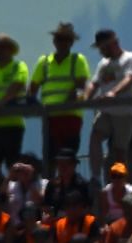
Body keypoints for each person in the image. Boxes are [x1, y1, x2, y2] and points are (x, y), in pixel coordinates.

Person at [85, 28, 132, 180]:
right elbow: (94, 83)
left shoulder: (130, 58)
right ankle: (95, 176)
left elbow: (130, 78)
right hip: (107, 111)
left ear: (113, 43)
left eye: (103, 47)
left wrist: (113, 93)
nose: (101, 51)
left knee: (119, 150)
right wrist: (87, 96)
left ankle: (121, 182)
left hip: (125, 112)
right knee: (95, 135)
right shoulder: (103, 64)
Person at [32, 20, 90, 161]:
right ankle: (51, 182)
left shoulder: (78, 60)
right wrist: (33, 105)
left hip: (71, 116)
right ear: (54, 41)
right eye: (59, 39)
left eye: (66, 39)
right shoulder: (43, 62)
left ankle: (68, 182)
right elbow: (33, 88)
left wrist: (70, 99)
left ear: (71, 42)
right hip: (49, 117)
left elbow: (82, 85)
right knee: (50, 156)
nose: (62, 43)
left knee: (68, 156)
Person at [0, 34, 29, 170]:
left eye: (2, 48)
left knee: (12, 164)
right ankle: (4, 189)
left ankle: (12, 190)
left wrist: (1, 103)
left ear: (10, 49)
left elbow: (17, 85)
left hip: (13, 124)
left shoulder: (18, 67)